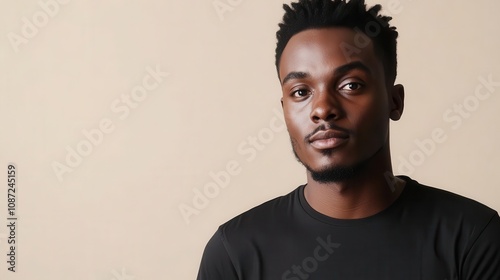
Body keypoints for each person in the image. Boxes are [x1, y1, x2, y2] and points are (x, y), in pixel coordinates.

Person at [196, 0, 500, 279]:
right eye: (301, 92)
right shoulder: (235, 253)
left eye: (351, 85)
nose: (322, 109)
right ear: (285, 110)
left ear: (395, 101)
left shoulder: (472, 238)